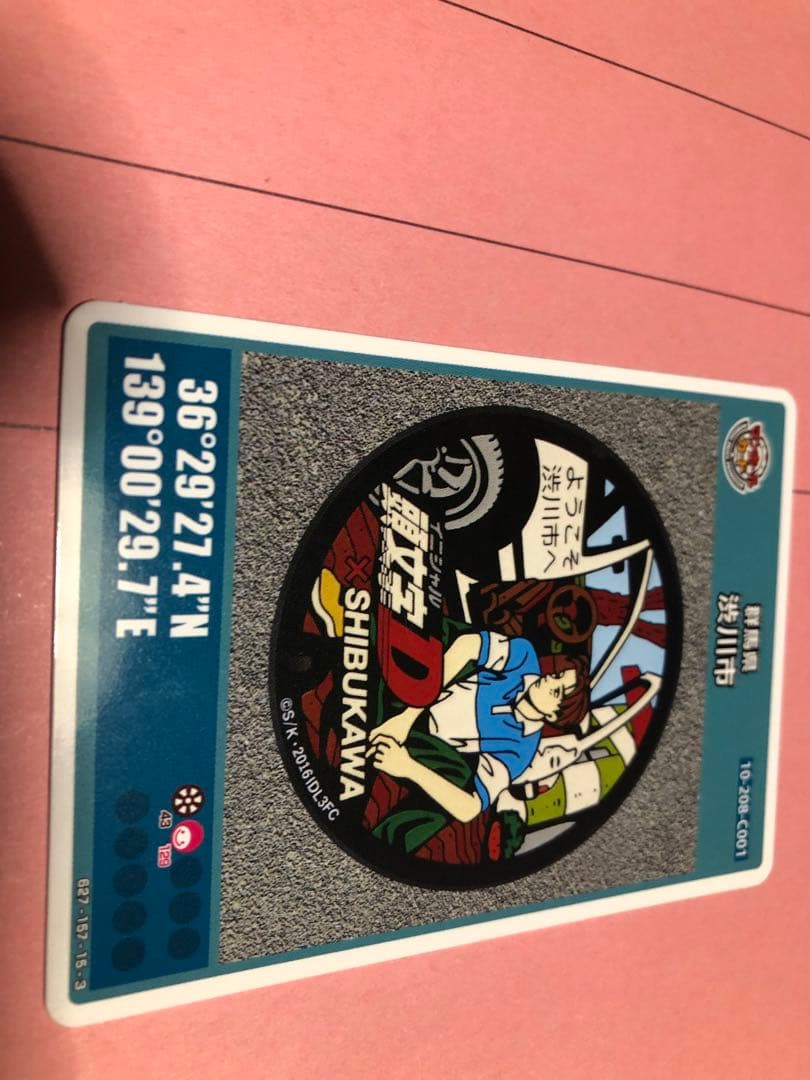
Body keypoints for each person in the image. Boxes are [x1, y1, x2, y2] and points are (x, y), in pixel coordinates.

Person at [368, 630, 587, 823]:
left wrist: (407, 767)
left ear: (552, 715)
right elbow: (467, 644)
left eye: (556, 692)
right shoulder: (524, 658)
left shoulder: (521, 749)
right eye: (557, 676)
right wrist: (406, 719)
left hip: (427, 740)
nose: (548, 680)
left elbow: (469, 809)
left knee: (457, 780)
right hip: (424, 686)